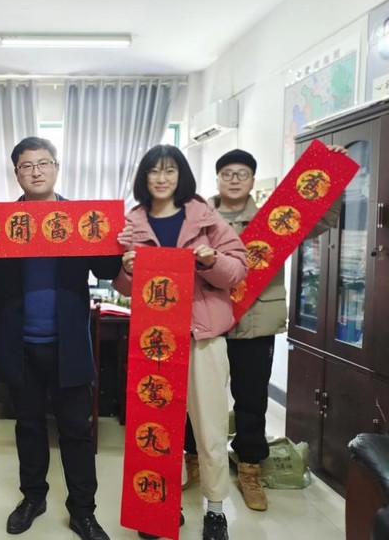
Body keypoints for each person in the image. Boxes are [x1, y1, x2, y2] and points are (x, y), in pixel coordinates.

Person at [0, 136, 132, 540]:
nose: (36, 171)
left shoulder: (79, 219)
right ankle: (33, 498)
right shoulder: (2, 222)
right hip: (19, 343)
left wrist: (120, 241)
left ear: (56, 168)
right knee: (28, 426)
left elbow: (105, 268)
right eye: (26, 165)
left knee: (76, 431)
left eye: (43, 163)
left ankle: (83, 511)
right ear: (16, 173)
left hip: (69, 345)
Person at [185, 147, 344, 512]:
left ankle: (250, 468)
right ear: (217, 179)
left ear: (252, 180)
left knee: (252, 399)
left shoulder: (275, 217)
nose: (234, 180)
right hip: (208, 323)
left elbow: (322, 219)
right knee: (198, 399)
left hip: (256, 323)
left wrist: (333, 176)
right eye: (227, 174)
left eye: (242, 174)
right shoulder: (197, 218)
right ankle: (193, 460)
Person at [112, 144, 247, 540]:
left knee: (210, 428)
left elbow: (237, 271)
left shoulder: (205, 218)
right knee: (156, 427)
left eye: (169, 170)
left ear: (181, 175)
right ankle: (159, 507)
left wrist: (210, 260)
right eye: (154, 171)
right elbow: (121, 286)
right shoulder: (132, 224)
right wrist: (125, 269)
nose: (161, 178)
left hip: (202, 337)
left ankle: (216, 511)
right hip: (154, 342)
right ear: (144, 177)